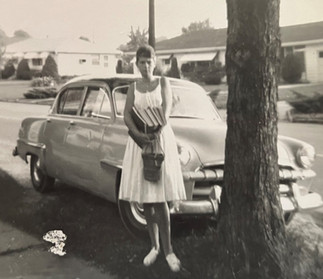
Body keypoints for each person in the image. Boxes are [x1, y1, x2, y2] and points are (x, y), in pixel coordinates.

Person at [118, 45, 186, 272]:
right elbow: (127, 114)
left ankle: (169, 251)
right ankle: (154, 246)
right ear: (136, 64)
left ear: (155, 62)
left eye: (150, 61)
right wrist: (138, 134)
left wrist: (156, 129)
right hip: (140, 144)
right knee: (146, 199)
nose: (146, 66)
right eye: (142, 62)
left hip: (159, 140)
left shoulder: (163, 83)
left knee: (160, 198)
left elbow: (166, 110)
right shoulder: (133, 87)